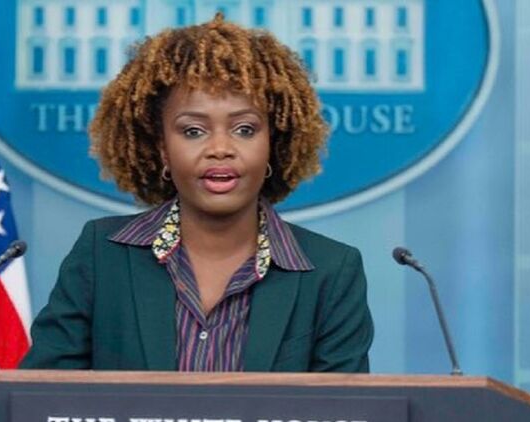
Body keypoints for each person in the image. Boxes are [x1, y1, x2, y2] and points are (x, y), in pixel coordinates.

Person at [19, 14, 373, 372]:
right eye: (193, 131)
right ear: (162, 149)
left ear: (273, 143)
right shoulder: (101, 254)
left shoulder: (331, 271)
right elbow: (42, 392)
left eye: (245, 129)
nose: (220, 149)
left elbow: (342, 401)